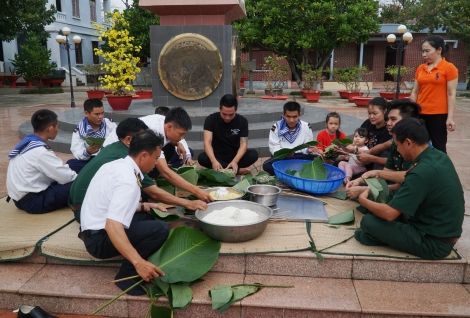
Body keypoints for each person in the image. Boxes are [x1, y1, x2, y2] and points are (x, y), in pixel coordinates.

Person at [354, 118, 464, 260]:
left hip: (433, 243)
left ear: (408, 143)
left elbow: (389, 214)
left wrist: (362, 199)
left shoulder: (421, 172)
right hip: (433, 226)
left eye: (398, 145)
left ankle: (377, 237)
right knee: (382, 203)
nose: (397, 150)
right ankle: (379, 236)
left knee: (368, 222)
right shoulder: (438, 155)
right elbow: (407, 178)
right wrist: (377, 176)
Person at [79, 129, 169, 295]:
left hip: (92, 230)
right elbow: (112, 225)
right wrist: (138, 262)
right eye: (156, 158)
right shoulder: (128, 181)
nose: (156, 163)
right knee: (160, 229)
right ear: (143, 156)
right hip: (98, 239)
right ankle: (127, 275)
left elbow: (112, 203)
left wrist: (145, 206)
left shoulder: (116, 165)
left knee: (147, 217)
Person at [69, 118, 207, 222]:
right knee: (154, 224)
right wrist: (188, 203)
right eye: (142, 137)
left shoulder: (115, 147)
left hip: (81, 206)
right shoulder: (126, 156)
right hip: (87, 213)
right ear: (129, 140)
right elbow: (155, 191)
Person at [103, 107, 212, 202]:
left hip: (131, 151)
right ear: (169, 127)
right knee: (144, 192)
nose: (182, 138)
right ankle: (146, 187)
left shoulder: (163, 122)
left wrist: (178, 142)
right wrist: (196, 190)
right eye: (181, 134)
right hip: (115, 153)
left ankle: (150, 180)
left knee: (169, 149)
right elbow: (165, 172)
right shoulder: (154, 131)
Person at [345, 99, 422, 199]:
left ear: (407, 121)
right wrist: (360, 180)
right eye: (388, 119)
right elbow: (386, 171)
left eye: (393, 119)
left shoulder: (413, 148)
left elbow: (404, 182)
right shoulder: (395, 141)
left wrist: (365, 191)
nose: (388, 123)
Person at [6, 109, 77, 214]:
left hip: (19, 199)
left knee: (72, 164)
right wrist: (81, 180)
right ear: (50, 128)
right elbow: (65, 177)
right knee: (80, 184)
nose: (58, 129)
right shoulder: (40, 152)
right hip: (34, 202)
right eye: (58, 126)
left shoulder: (29, 142)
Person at [410, 35, 458, 153]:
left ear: (439, 50)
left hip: (438, 115)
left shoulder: (449, 68)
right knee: (418, 145)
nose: (424, 54)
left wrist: (450, 118)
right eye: (423, 51)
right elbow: (415, 91)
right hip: (420, 113)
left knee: (438, 147)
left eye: (427, 51)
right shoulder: (421, 68)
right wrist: (410, 112)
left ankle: (441, 170)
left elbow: (451, 94)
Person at [198, 94, 259, 175]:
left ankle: (225, 168)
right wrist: (213, 160)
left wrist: (235, 161)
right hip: (217, 156)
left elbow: (243, 144)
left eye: (231, 115)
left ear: (236, 110)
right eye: (224, 114)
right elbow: (207, 143)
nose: (227, 118)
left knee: (253, 155)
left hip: (235, 155)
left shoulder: (242, 121)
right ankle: (236, 171)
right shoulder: (210, 120)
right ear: (219, 108)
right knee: (202, 158)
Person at [262, 101, 318, 175]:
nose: (291, 120)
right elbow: (274, 148)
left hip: (300, 157)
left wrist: (308, 149)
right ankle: (298, 172)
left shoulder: (306, 127)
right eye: (288, 116)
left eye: (294, 117)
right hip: (283, 158)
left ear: (299, 115)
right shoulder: (276, 127)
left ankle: (285, 173)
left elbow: (307, 145)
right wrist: (285, 154)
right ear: (283, 115)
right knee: (267, 165)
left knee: (317, 159)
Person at [67, 98, 117, 173]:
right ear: (86, 113)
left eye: (102, 113)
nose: (100, 117)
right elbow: (77, 151)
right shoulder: (79, 130)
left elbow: (118, 141)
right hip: (91, 159)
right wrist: (87, 151)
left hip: (108, 158)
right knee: (71, 164)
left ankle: (94, 171)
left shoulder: (109, 124)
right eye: (97, 114)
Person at [342, 97, 390, 170]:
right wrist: (346, 149)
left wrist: (354, 150)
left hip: (373, 163)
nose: (371, 116)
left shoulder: (387, 130)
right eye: (369, 113)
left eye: (375, 113)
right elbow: (355, 142)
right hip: (358, 158)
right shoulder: (367, 123)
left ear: (385, 111)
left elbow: (376, 153)